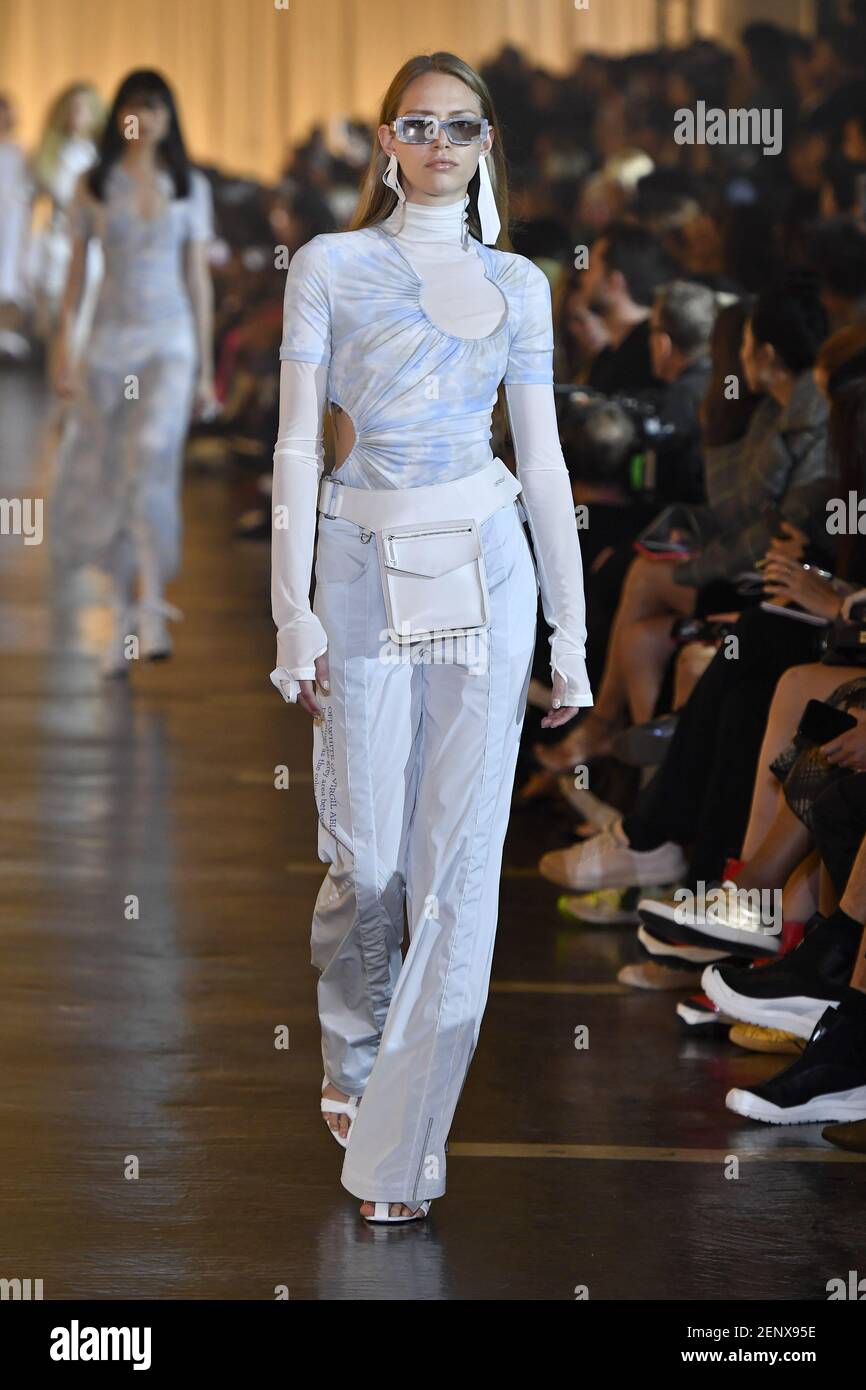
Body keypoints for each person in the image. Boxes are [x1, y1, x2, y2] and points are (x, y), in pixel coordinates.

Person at [269, 51, 592, 1224]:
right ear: (386, 140)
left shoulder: (520, 284)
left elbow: (542, 458)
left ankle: (402, 1149)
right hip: (358, 564)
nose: (441, 143)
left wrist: (572, 629)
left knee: (459, 873)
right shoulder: (333, 267)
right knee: (368, 856)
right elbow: (298, 444)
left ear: (487, 141)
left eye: (462, 125)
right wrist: (289, 605)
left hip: (485, 560)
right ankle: (354, 1054)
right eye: (420, 123)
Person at [48, 69, 216, 675]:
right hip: (109, 347)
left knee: (149, 455)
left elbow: (197, 276)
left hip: (169, 344)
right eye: (136, 106)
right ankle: (122, 614)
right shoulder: (93, 185)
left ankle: (151, 600)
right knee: (113, 477)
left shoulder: (188, 186)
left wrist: (204, 370)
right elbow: (74, 280)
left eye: (157, 107)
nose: (146, 118)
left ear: (171, 118)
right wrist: (61, 349)